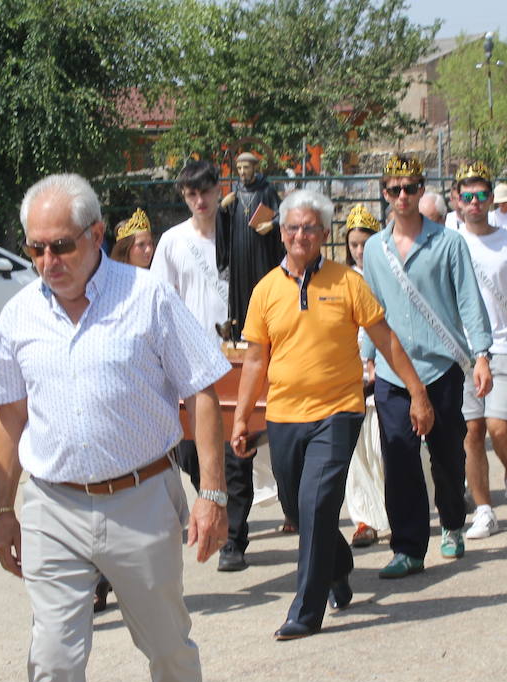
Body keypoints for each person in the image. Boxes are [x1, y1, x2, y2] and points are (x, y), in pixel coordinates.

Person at [0, 173, 230, 682]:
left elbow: (203, 388)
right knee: (54, 660)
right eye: (36, 247)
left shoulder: (146, 298)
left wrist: (212, 491)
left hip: (141, 500)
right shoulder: (18, 316)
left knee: (168, 646)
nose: (48, 261)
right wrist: (2, 510)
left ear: (97, 235)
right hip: (52, 508)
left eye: (62, 246)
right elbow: (9, 418)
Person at [231, 190, 431, 640]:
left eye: (309, 228)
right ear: (281, 233)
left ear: (324, 234)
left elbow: (386, 340)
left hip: (338, 412)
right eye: (292, 228)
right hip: (284, 415)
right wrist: (242, 417)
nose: (300, 235)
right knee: (298, 510)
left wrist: (417, 391)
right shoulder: (265, 290)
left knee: (318, 502)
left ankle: (306, 609)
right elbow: (256, 361)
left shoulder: (348, 283)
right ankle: (337, 565)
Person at [360, 154, 493, 578]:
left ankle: (452, 521)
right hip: (391, 371)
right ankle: (408, 547)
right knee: (398, 458)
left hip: (440, 366)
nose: (402, 196)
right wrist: (364, 356)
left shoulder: (448, 242)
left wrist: (482, 354)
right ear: (384, 194)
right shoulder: (375, 250)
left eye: (410, 188)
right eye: (394, 189)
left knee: (447, 457)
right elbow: (370, 308)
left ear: (422, 191)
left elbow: (469, 299)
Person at [152, 159, 259, 572]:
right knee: (193, 452)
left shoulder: (239, 231)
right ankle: (213, 504)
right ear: (185, 196)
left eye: (206, 191)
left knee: (237, 446)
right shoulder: (173, 241)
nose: (200, 200)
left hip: (232, 354)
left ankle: (235, 537)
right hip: (188, 361)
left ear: (219, 190)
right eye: (192, 194)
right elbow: (163, 300)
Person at [454, 164, 507, 537]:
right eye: (467, 196)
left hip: (504, 344)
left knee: (499, 426)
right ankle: (484, 508)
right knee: (471, 431)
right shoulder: (450, 241)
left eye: (481, 195)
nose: (475, 203)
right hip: (462, 349)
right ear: (457, 200)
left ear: (492, 199)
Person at [342, 203, 391, 548]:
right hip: (347, 375)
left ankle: (391, 510)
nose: (359, 250)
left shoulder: (388, 274)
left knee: (382, 448)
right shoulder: (340, 279)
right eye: (354, 244)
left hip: (385, 372)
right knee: (354, 452)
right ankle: (363, 519)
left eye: (365, 243)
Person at [219, 151, 283, 338]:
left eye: (246, 168)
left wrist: (271, 224)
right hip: (239, 252)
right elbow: (224, 223)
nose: (242, 172)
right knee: (240, 291)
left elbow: (281, 214)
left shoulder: (266, 191)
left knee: (262, 287)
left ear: (255, 168)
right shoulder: (235, 191)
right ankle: (240, 331)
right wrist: (222, 208)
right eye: (239, 168)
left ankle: (265, 331)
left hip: (261, 251)